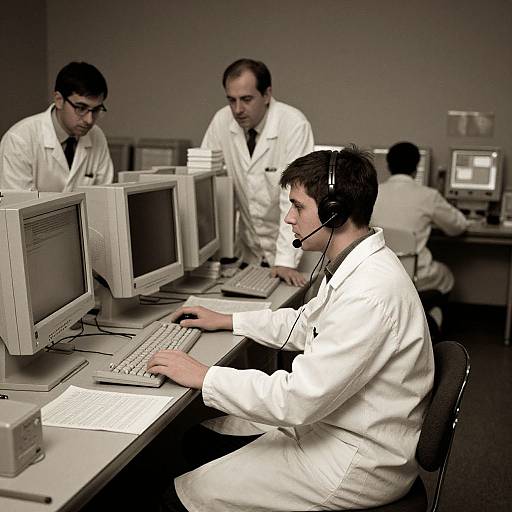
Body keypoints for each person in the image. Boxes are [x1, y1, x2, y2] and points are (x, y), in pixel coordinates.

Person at [147, 147, 434, 511]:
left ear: (335, 213)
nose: (288, 218)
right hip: (337, 424)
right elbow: (306, 323)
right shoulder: (359, 265)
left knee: (178, 498)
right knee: (199, 442)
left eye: (297, 206)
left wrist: (206, 376)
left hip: (355, 459)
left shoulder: (369, 293)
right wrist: (230, 320)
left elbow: (298, 398)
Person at [201, 58, 314, 286]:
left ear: (267, 94)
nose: (237, 110)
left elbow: (294, 199)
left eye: (246, 99)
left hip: (291, 252)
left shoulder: (293, 125)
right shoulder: (221, 121)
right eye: (231, 100)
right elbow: (203, 183)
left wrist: (285, 260)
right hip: (248, 252)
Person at [371, 141, 468, 301]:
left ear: (388, 167)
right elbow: (458, 227)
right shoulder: (428, 196)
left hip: (379, 270)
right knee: (446, 275)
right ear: (416, 167)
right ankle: (432, 318)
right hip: (415, 275)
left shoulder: (373, 193)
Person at [0, 61, 113, 192]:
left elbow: (104, 198)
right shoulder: (19, 140)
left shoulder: (96, 135)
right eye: (81, 108)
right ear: (59, 100)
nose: (89, 120)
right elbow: (18, 204)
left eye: (96, 110)